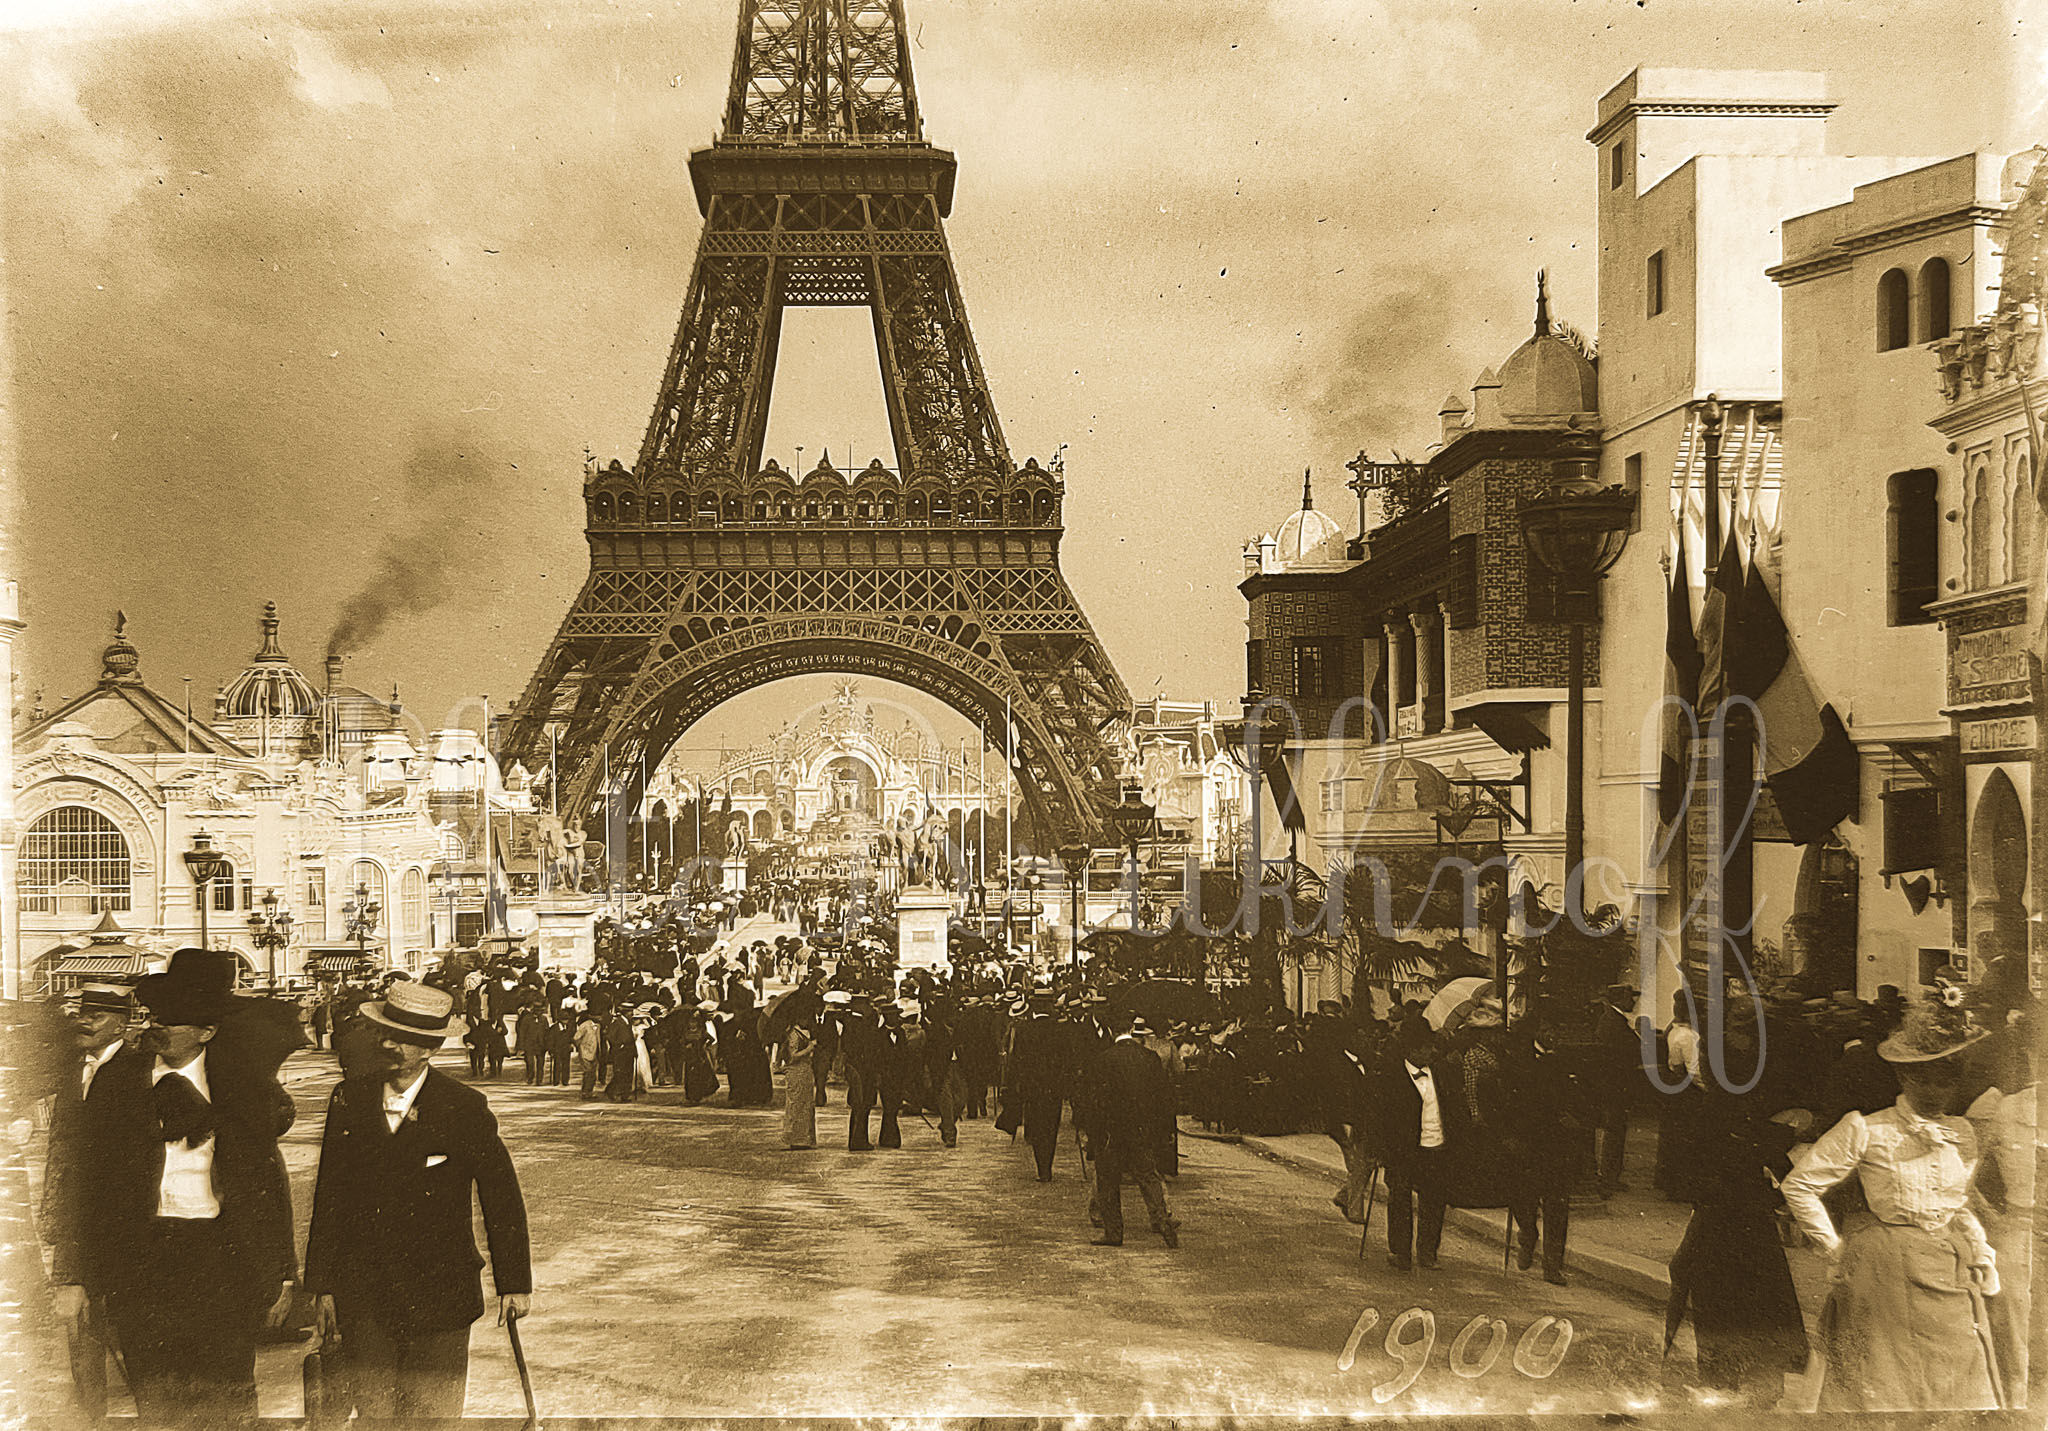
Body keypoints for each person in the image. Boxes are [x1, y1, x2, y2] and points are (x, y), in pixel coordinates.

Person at [45, 950, 297, 1424]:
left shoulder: (240, 1088)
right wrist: (73, 1274)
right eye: (156, 1016)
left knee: (228, 1397)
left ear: (207, 1031)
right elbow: (86, 1183)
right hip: (142, 1260)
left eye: (174, 1020)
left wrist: (284, 1273)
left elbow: (267, 1181)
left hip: (223, 1259)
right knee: (157, 1397)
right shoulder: (116, 1084)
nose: (157, 1027)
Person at [304, 981, 532, 1420]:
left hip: (441, 1295)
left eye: (400, 1038)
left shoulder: (463, 1106)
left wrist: (515, 1282)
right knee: (373, 1415)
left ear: (428, 1048)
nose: (386, 1043)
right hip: (365, 1295)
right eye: (382, 1033)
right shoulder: (348, 1099)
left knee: (433, 1416)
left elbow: (500, 1195)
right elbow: (330, 1195)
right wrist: (323, 1285)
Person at [1780, 985, 2001, 1411]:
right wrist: (1836, 1249)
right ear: (1904, 1076)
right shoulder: (1868, 1128)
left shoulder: (1965, 1133)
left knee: (1954, 1389)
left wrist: (1983, 1255)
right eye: (1926, 1077)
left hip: (1948, 1272)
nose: (1937, 1089)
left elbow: (1963, 1204)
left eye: (1947, 1078)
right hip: (1882, 1272)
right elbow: (1799, 1186)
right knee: (1885, 1387)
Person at [1371, 1013, 1460, 1272]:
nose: (1431, 1052)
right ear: (1411, 1050)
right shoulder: (1391, 1075)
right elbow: (1379, 1115)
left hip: (1436, 1147)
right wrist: (1379, 1149)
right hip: (1402, 1150)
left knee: (1434, 1200)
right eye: (1425, 1048)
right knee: (1400, 1199)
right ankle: (1401, 1253)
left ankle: (1428, 1252)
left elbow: (1452, 1108)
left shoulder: (1442, 1073)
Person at [1081, 1016, 1180, 1248]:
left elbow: (1095, 1102)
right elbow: (1163, 1098)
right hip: (1141, 1130)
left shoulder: (1104, 1060)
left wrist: (1093, 1135)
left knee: (1108, 1181)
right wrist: (1163, 1130)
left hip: (1111, 1133)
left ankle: (1113, 1232)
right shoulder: (1149, 1058)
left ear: (1113, 1031)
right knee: (1148, 1176)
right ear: (1132, 1030)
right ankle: (1162, 1220)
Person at [783, 1020, 819, 1150]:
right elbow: (792, 1056)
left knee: (805, 1104)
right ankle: (797, 1138)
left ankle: (803, 1137)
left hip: (805, 1071)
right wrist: (809, 1048)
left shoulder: (802, 1033)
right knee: (798, 1103)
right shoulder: (794, 1034)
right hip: (797, 1071)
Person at [573, 1006, 603, 1099]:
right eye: (598, 1016)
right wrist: (581, 1048)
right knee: (587, 1073)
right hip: (585, 1052)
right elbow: (576, 1038)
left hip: (595, 1053)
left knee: (593, 1074)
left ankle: (590, 1091)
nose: (600, 1018)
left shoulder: (598, 1026)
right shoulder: (585, 1025)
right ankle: (585, 1092)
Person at [517, 1004, 547, 1086]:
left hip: (541, 1045)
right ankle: (530, 1077)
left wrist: (547, 1044)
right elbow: (522, 1032)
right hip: (529, 1044)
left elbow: (547, 1031)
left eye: (540, 1011)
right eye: (537, 1010)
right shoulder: (526, 1019)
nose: (538, 1012)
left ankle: (539, 1080)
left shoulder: (544, 1019)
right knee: (530, 1063)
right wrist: (521, 1046)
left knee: (540, 1063)